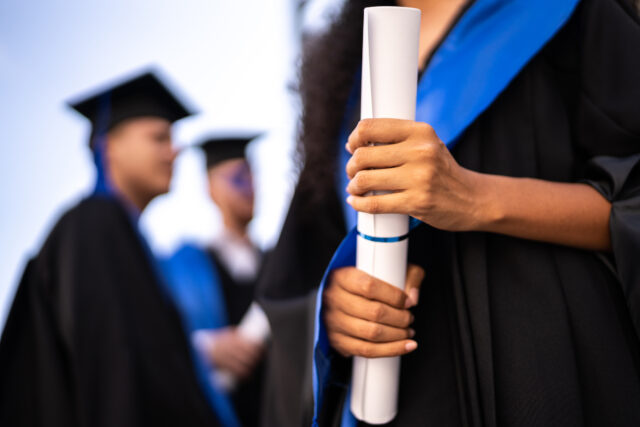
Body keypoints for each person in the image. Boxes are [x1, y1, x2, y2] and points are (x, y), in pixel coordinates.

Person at [258, 0, 640, 426]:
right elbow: (304, 260)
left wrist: (475, 197)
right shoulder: (344, 64)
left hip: (547, 374)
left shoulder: (568, 12)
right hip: (397, 393)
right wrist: (336, 309)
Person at [0, 69, 225, 427]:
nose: (175, 151)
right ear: (109, 147)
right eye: (159, 138)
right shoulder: (95, 224)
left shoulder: (126, 238)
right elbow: (112, 375)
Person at [162, 134, 268, 427]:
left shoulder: (277, 262)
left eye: (251, 175)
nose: (248, 187)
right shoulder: (184, 267)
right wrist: (208, 349)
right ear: (210, 189)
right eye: (235, 179)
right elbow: (157, 337)